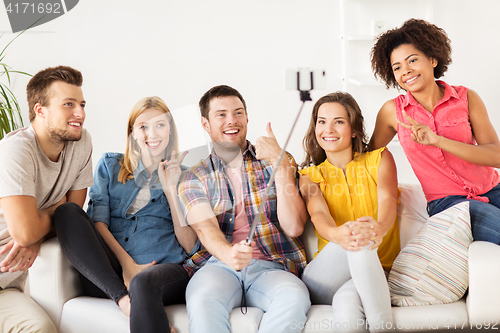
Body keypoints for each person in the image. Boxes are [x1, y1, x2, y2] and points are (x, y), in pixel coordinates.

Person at [53, 96, 198, 333]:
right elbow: (99, 223)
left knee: (143, 282)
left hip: (162, 272)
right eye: (143, 127)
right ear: (133, 133)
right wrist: (127, 266)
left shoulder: (186, 176)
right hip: (112, 276)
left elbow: (191, 245)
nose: (152, 133)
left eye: (160, 125)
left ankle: (136, 298)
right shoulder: (110, 166)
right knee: (67, 211)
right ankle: (125, 302)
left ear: (170, 130)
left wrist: (171, 188)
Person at [178, 85, 310, 333]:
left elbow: (294, 226)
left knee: (294, 298)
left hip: (271, 266)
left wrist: (280, 164)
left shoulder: (276, 159)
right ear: (205, 124)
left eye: (238, 113)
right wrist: (228, 254)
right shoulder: (194, 176)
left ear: (247, 118)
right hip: (217, 266)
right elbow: (205, 229)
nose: (232, 120)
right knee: (202, 300)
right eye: (221, 114)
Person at [369, 18, 500, 243]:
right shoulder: (393, 112)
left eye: (412, 60)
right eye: (397, 67)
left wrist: (438, 140)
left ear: (432, 59)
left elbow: (496, 156)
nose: (406, 71)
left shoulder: (467, 98)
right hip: (449, 204)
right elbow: (368, 158)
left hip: (494, 190)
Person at [0, 65, 91, 332]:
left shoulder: (82, 143)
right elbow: (26, 232)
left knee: (41, 328)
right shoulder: (16, 151)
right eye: (68, 104)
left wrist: (38, 231)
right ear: (40, 110)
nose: (80, 113)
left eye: (82, 104)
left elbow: (73, 213)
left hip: (6, 288)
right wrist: (59, 209)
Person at [298, 92, 399, 332]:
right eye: (321, 122)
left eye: (338, 121)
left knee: (347, 304)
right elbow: (319, 215)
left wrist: (379, 229)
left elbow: (388, 200)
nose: (328, 129)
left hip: (376, 270)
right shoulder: (309, 176)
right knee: (358, 234)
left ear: (353, 129)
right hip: (325, 276)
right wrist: (337, 234)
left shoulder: (379, 159)